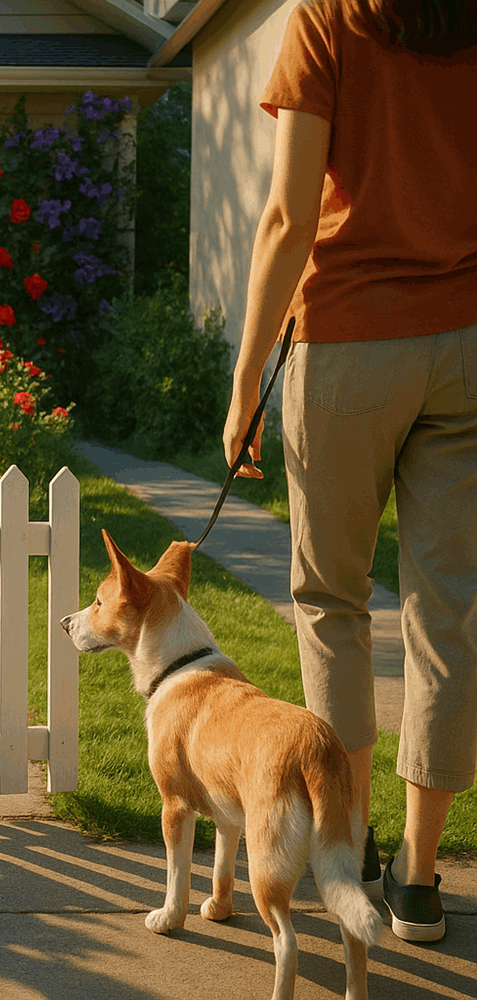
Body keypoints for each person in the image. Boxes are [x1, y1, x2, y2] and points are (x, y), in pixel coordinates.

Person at [223, 0, 477, 945]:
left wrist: (247, 378)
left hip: (350, 345)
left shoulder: (328, 15)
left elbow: (290, 214)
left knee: (332, 599)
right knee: (446, 606)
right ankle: (419, 880)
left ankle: (351, 843)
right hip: (468, 344)